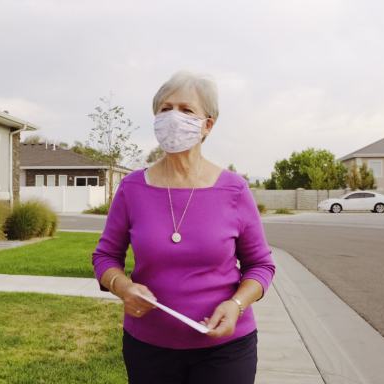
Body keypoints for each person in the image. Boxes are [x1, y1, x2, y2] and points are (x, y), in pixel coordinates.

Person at [91, 70, 276, 384]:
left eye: (186, 110)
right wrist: (123, 288)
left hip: (225, 349)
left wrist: (236, 304)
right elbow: (105, 257)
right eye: (165, 109)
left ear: (208, 124)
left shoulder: (234, 190)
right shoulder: (132, 188)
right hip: (148, 348)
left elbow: (260, 265)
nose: (173, 117)